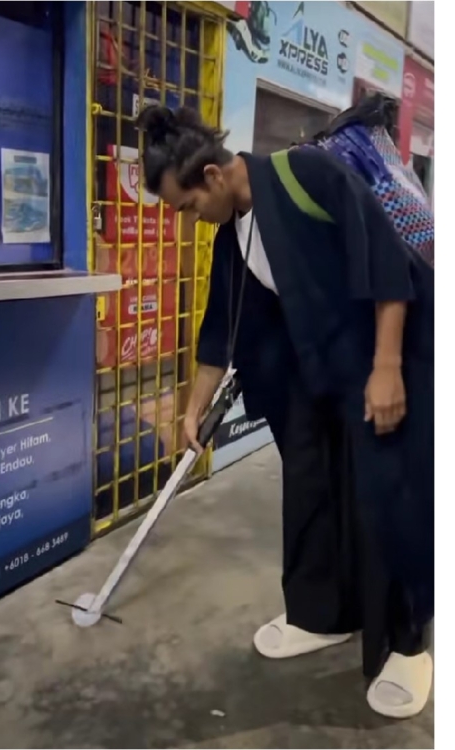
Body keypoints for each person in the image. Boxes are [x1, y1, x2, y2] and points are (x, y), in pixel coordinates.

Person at [136, 105, 433, 719]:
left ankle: (408, 644)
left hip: (387, 358)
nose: (191, 221)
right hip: (315, 379)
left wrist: (386, 368)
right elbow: (221, 327)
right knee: (311, 489)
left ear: (213, 176)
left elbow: (387, 263)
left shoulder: (309, 176)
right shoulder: (233, 234)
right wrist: (193, 409)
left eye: (188, 207)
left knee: (388, 502)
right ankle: (323, 613)